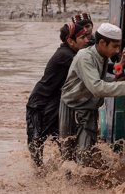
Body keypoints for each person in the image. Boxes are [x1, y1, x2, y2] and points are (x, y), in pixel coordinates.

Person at [59, 23, 125, 166]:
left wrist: (119, 77)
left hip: (88, 107)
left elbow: (100, 80)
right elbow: (97, 88)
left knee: (87, 153)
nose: (117, 50)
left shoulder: (101, 55)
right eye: (114, 46)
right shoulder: (85, 57)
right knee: (71, 155)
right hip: (74, 108)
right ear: (102, 43)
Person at [26, 23, 88, 167]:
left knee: (62, 140)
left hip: (54, 102)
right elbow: (89, 69)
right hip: (40, 103)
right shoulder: (65, 56)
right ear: (70, 41)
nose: (86, 40)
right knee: (37, 141)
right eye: (83, 37)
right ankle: (40, 178)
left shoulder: (72, 53)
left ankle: (62, 174)